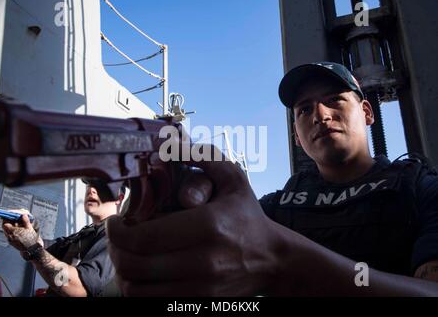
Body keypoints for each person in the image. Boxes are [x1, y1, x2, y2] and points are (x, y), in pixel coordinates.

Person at [106, 62, 438, 296]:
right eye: (304, 110)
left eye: (335, 100)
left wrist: (285, 263)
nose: (320, 115)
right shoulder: (280, 205)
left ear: (367, 112)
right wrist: (180, 199)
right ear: (296, 135)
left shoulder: (421, 188)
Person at [2, 182, 124, 297]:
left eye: (100, 185)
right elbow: (43, 251)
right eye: (89, 185)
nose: (91, 190)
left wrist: (33, 248)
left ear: (118, 198)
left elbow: (78, 288)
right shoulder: (85, 233)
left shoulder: (118, 235)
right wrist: (29, 231)